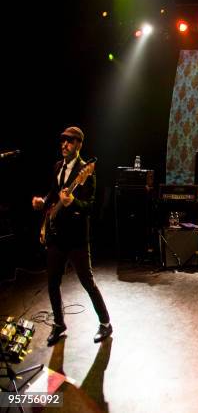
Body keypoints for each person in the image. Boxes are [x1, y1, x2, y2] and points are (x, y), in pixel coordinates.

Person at [32, 126, 112, 346]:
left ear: (79, 145)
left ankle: (105, 323)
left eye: (69, 141)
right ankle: (59, 324)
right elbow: (52, 193)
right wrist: (43, 202)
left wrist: (73, 202)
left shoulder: (86, 171)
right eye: (63, 141)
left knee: (87, 282)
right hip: (56, 236)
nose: (64, 145)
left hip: (76, 239)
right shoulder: (58, 166)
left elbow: (90, 208)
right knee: (52, 283)